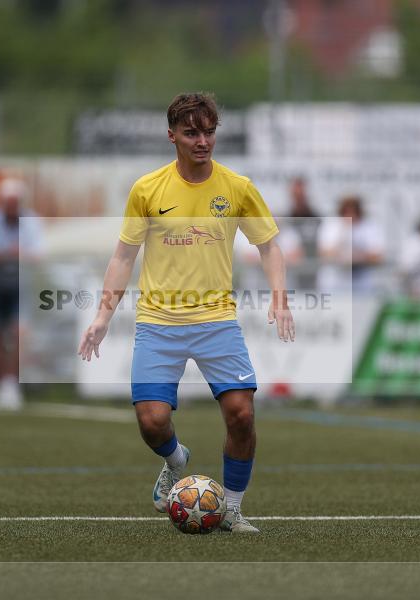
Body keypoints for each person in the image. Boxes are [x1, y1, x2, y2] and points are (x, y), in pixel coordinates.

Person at [78, 92, 295, 534]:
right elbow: (123, 256)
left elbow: (269, 245)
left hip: (216, 321)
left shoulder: (237, 187)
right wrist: (102, 316)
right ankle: (176, 462)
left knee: (242, 414)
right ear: (172, 135)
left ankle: (231, 509)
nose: (203, 141)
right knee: (152, 421)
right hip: (159, 323)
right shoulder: (147, 189)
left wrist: (280, 295)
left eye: (209, 132)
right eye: (192, 132)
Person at [0, 177, 43, 409]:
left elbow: (37, 255)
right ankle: (0, 383)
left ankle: (11, 383)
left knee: (18, 335)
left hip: (20, 284)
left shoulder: (31, 221)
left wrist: (10, 254)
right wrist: (12, 254)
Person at [316, 195, 385, 294]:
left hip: (360, 283)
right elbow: (324, 252)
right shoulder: (331, 225)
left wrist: (358, 256)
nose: (351, 214)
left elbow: (377, 255)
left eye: (354, 211)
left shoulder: (369, 227)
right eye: (347, 211)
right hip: (335, 283)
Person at [278, 176, 321, 290]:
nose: (298, 197)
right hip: (292, 272)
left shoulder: (316, 218)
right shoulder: (286, 219)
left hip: (313, 268)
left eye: (301, 194)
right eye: (295, 194)